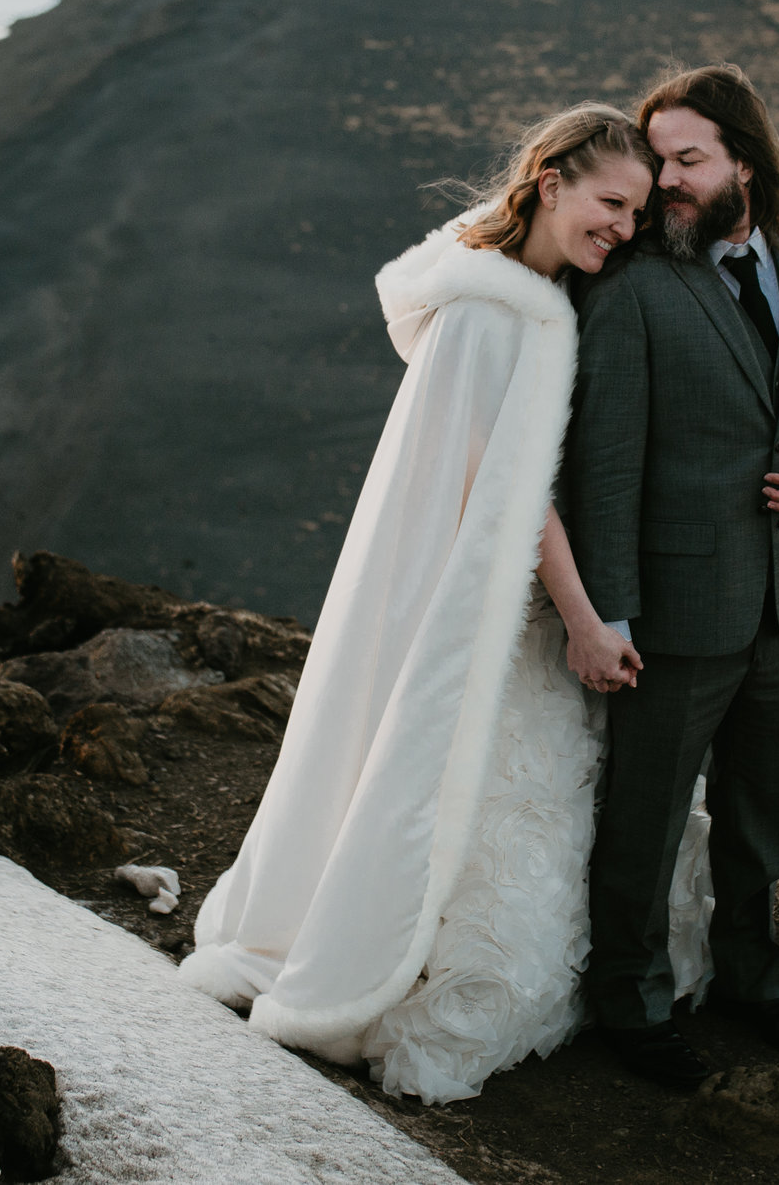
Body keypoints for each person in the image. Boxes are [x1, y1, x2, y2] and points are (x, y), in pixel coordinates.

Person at [182, 102, 712, 1104]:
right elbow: (511, 492)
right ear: (549, 180)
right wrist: (588, 620)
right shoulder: (496, 312)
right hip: (491, 610)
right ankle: (402, 969)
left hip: (489, 602)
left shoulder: (504, 292)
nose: (624, 228)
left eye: (638, 212)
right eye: (610, 202)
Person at [562, 62, 779, 1089]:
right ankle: (631, 1005)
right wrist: (608, 612)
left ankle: (753, 985)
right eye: (658, 162)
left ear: (745, 161)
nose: (668, 181)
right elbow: (601, 465)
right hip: (677, 610)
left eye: (688, 159)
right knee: (642, 822)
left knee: (761, 816)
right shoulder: (634, 284)